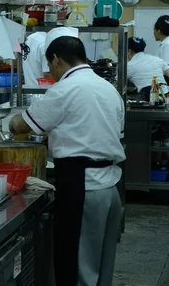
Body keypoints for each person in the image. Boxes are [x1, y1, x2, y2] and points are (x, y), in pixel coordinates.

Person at [9, 27, 124, 286]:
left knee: (77, 266)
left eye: (50, 65)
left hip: (82, 187)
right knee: (101, 264)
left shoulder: (65, 89)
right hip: (111, 187)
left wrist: (11, 124)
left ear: (56, 59)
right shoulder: (108, 89)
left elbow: (22, 126)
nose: (50, 72)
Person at [127, 37, 169, 101]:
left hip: (149, 99)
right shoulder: (157, 59)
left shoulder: (129, 65)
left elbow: (118, 83)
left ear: (129, 51)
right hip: (166, 94)